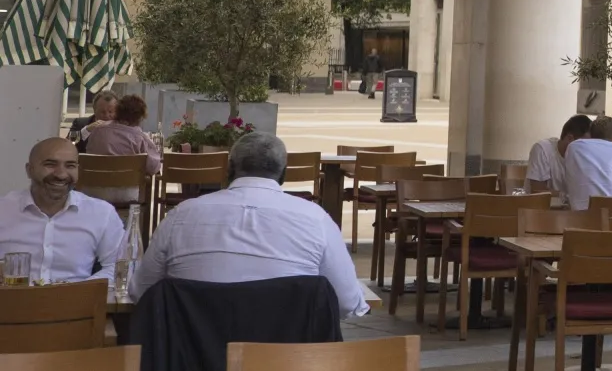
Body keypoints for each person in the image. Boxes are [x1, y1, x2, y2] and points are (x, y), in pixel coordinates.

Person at [129, 133, 370, 317]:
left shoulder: (181, 216)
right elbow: (347, 303)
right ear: (283, 174)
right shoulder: (316, 220)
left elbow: (141, 292)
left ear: (229, 169)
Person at [0, 138, 125, 283]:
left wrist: (79, 292)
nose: (61, 174)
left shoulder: (101, 213)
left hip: (77, 303)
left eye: (70, 166)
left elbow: (119, 266)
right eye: (50, 164)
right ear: (29, 170)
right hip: (12, 302)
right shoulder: (4, 210)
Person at [82, 94, 163, 175]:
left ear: (117, 111)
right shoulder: (140, 138)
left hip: (95, 185)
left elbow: (89, 154)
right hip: (128, 186)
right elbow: (153, 168)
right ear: (140, 117)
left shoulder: (97, 130)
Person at [526, 114, 592, 205]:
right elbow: (537, 189)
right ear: (569, 138)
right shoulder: (543, 149)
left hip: (568, 213)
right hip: (539, 211)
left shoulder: (583, 158)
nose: (587, 149)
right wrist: (567, 196)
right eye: (584, 144)